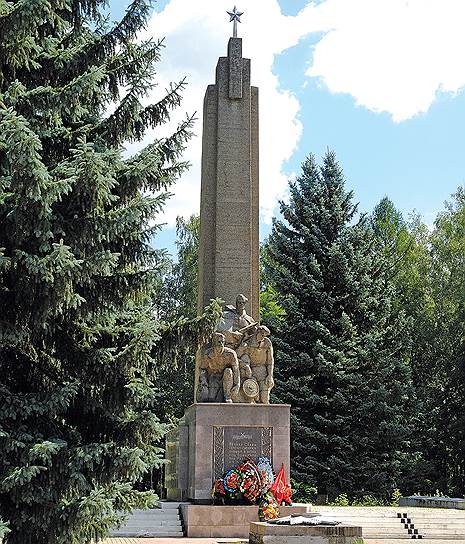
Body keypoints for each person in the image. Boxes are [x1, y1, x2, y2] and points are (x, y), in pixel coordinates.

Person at [197, 332, 240, 403]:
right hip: (213, 378)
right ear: (214, 343)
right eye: (219, 342)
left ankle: (227, 396)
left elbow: (236, 370)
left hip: (227, 378)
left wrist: (237, 384)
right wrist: (203, 380)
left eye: (222, 342)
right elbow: (202, 369)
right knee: (210, 399)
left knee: (228, 371)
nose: (221, 344)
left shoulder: (230, 354)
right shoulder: (208, 354)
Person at [236, 325, 274, 404]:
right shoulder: (247, 342)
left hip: (263, 372)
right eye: (262, 334)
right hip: (250, 373)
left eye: (265, 335)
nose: (263, 337)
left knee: (264, 399)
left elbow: (270, 361)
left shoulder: (267, 343)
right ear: (257, 332)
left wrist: (270, 375)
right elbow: (235, 356)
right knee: (252, 396)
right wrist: (245, 366)